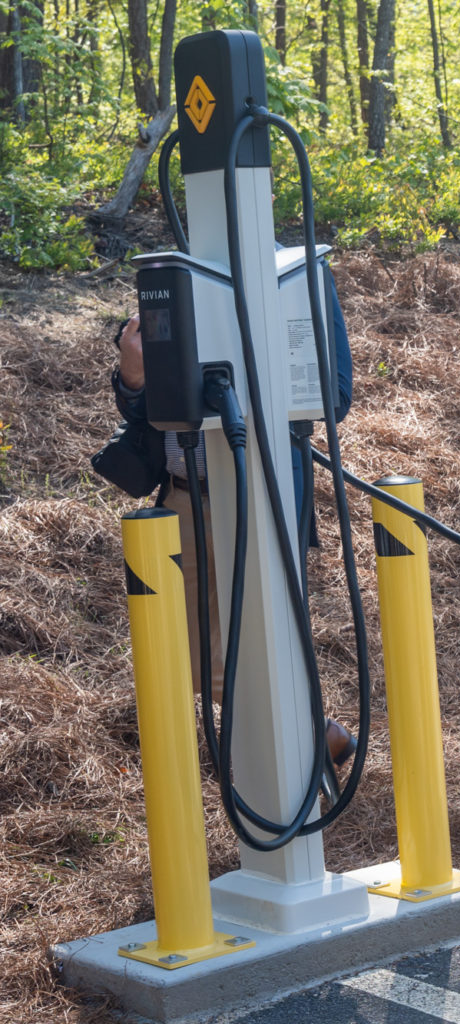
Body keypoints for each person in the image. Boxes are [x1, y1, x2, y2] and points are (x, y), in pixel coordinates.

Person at [108, 261, 357, 784]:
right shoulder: (177, 272)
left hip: (257, 500)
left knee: (254, 644)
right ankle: (314, 735)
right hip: (181, 500)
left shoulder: (296, 273)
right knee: (183, 657)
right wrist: (133, 375)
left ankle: (291, 758)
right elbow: (143, 409)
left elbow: (332, 396)